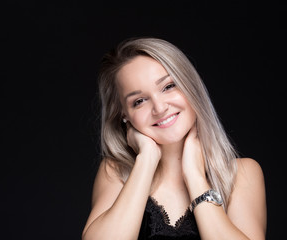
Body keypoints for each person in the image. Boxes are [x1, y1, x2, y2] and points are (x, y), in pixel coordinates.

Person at [82, 37, 266, 240]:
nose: (159, 108)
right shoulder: (116, 172)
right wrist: (146, 159)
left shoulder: (241, 174)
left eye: (168, 86)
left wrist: (195, 176)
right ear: (124, 114)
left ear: (190, 86)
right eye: (139, 101)